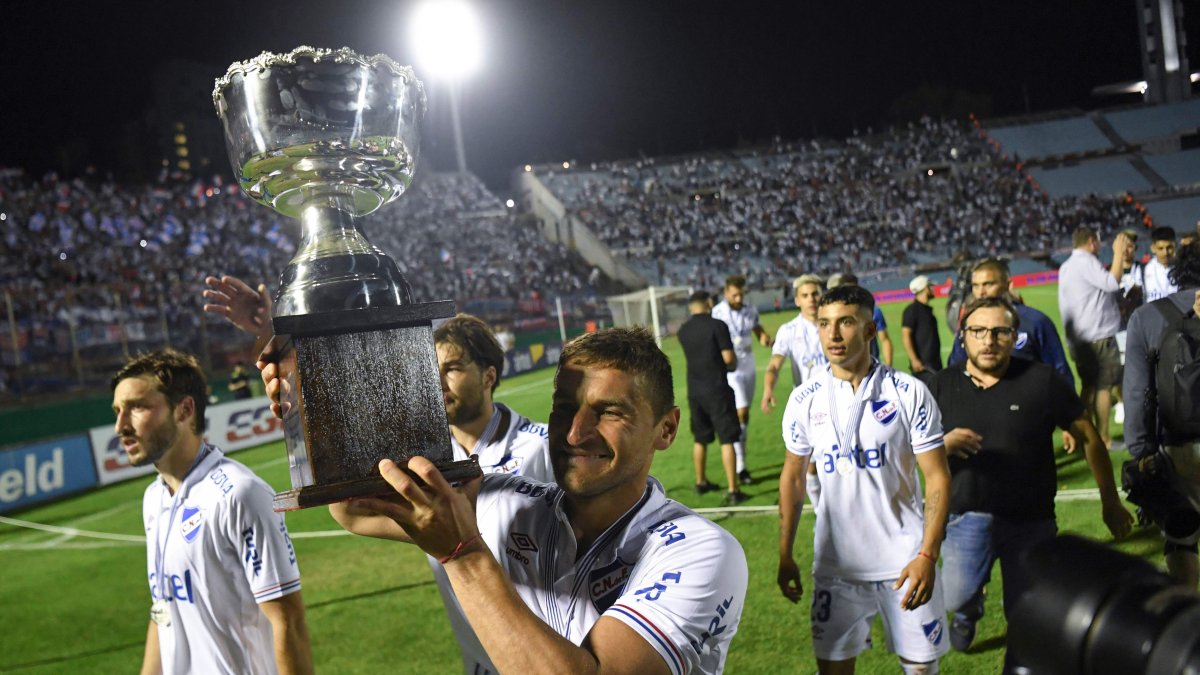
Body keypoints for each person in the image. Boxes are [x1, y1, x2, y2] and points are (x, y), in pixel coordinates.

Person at [295, 327, 748, 674]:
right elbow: (354, 508)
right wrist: (310, 393)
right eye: (564, 408)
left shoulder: (700, 549)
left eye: (608, 412)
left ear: (666, 429)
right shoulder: (505, 501)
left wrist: (463, 555)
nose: (574, 433)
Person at [204, 276, 556, 673]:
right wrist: (286, 354)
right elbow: (350, 510)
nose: (439, 381)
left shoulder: (542, 448)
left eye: (454, 368)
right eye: (432, 369)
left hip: (555, 654)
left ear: (489, 376)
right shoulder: (425, 462)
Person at [930, 296, 1132, 666]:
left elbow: (1088, 436)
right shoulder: (940, 386)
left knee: (1028, 615)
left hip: (1031, 520)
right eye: (978, 331)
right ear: (963, 337)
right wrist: (942, 444)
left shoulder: (1041, 381)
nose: (988, 340)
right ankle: (968, 611)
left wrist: (1110, 501)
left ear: (1014, 336)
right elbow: (909, 452)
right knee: (955, 597)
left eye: (1000, 331)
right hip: (966, 516)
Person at [778, 285, 952, 674]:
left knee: (921, 669)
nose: (833, 335)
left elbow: (938, 477)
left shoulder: (908, 393)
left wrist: (927, 554)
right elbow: (792, 478)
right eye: (824, 324)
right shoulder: (804, 399)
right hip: (836, 566)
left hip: (905, 562)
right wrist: (785, 551)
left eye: (845, 323)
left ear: (870, 330)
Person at [111, 349, 312, 675]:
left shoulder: (239, 494)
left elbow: (287, 620)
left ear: (185, 410)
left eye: (137, 407)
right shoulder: (153, 499)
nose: (121, 425)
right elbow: (162, 608)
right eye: (118, 411)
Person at [1124, 240, 1200, 588]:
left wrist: (1141, 450)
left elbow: (1139, 392)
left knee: (1182, 536)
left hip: (1178, 445)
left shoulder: (1147, 317)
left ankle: (1189, 630)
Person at [947, 258, 1077, 449]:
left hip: (1029, 419)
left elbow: (1059, 369)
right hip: (981, 420)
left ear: (1008, 285)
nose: (981, 291)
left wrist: (1069, 420)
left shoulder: (1035, 322)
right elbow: (954, 371)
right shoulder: (967, 327)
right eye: (975, 286)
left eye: (988, 284)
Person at [1057, 227, 1133, 449]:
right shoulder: (1087, 261)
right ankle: (1104, 439)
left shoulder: (1067, 266)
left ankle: (1080, 434)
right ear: (1091, 242)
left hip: (1079, 339)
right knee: (1103, 387)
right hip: (1098, 336)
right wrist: (1118, 253)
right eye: (1098, 242)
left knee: (1088, 387)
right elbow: (1111, 283)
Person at [677, 290, 745, 504]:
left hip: (694, 390)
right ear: (709, 303)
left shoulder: (683, 330)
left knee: (700, 438)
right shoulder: (718, 326)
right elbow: (728, 358)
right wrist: (732, 365)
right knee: (727, 439)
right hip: (717, 388)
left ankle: (700, 482)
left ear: (690, 307)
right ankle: (734, 489)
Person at [711, 274, 772, 485]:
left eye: (741, 294)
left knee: (744, 419)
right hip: (731, 369)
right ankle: (740, 466)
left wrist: (765, 338)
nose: (738, 298)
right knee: (742, 411)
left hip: (749, 367)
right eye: (734, 294)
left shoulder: (750, 310)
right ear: (726, 293)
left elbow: (758, 331)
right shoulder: (717, 313)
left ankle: (741, 461)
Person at [761, 274, 826, 412]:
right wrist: (768, 389)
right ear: (797, 301)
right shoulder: (788, 330)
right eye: (805, 295)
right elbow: (774, 365)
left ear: (822, 296)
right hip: (807, 404)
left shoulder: (835, 325)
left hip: (838, 398)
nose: (811, 299)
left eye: (815, 294)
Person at [827, 272, 894, 366]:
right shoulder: (832, 314)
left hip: (870, 366)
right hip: (844, 367)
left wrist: (889, 366)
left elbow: (885, 339)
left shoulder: (873, 311)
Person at [900, 275, 942, 383]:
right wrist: (914, 360)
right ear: (924, 289)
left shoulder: (927, 310)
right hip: (924, 367)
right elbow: (906, 336)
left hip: (934, 364)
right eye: (930, 287)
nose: (933, 289)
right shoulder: (912, 310)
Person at [1137, 226, 1179, 304]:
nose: (1165, 253)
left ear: (1175, 246)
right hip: (1153, 315)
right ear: (1153, 248)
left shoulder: (1184, 268)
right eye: (1160, 248)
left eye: (1169, 247)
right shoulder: (1143, 270)